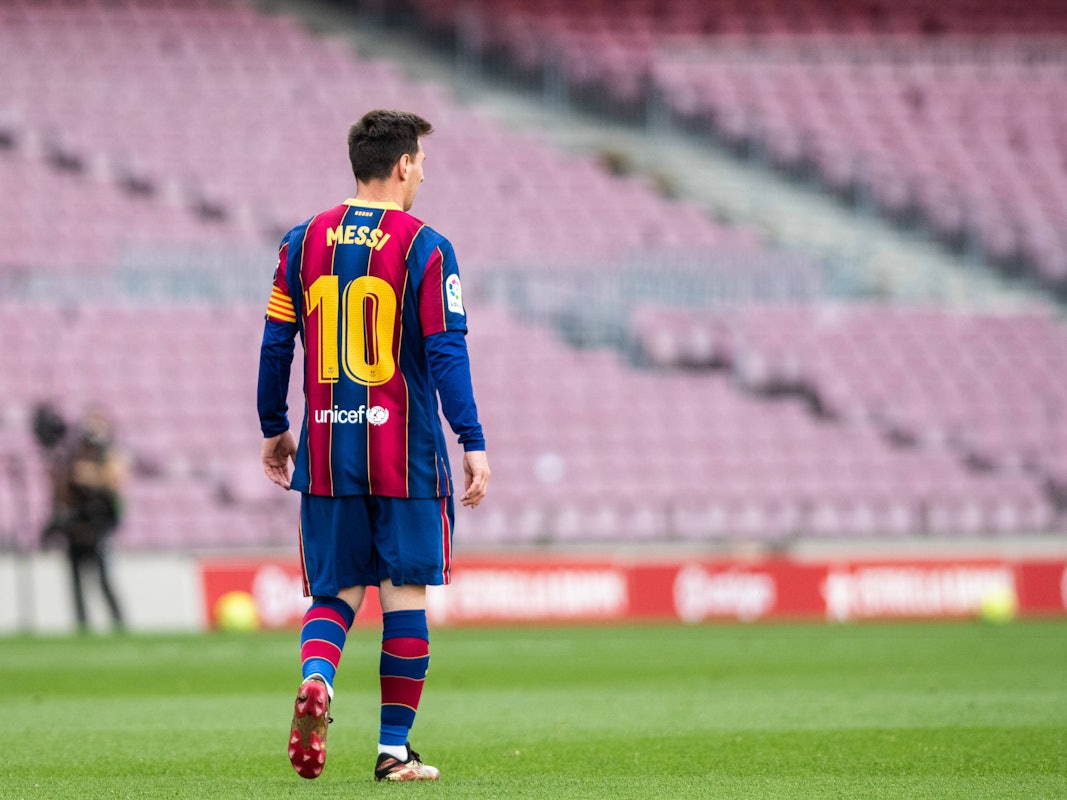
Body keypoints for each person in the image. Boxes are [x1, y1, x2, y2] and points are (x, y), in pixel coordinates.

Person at [257, 109, 490, 783]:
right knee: (404, 596)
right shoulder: (426, 247)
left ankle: (318, 680)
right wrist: (470, 438)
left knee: (334, 593)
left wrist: (274, 426)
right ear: (402, 166)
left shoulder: (300, 243)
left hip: (329, 450)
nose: (421, 174)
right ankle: (393, 751)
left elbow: (277, 344)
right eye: (420, 163)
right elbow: (446, 351)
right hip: (405, 454)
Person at [35, 404, 127, 633]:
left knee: (104, 581)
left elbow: (116, 483)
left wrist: (90, 476)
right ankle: (82, 627)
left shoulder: (109, 457)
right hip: (76, 530)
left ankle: (119, 625)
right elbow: (62, 495)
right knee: (76, 584)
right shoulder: (70, 461)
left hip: (99, 529)